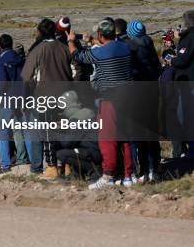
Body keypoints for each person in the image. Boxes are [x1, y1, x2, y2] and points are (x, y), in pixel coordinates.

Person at [68, 18, 134, 189]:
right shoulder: (125, 47)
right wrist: (92, 41)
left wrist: (71, 40)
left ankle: (108, 175)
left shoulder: (101, 53)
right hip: (128, 98)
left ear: (100, 34)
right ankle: (128, 174)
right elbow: (109, 46)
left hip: (110, 99)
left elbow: (78, 55)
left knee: (107, 138)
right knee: (124, 138)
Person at [22, 18, 73, 177]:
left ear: (40, 32)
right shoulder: (64, 48)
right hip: (66, 95)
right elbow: (76, 71)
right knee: (64, 131)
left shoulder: (37, 50)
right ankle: (67, 165)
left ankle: (52, 167)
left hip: (44, 96)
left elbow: (26, 76)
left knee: (48, 133)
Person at [126, 19, 162, 183]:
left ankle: (143, 170)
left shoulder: (131, 48)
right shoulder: (149, 45)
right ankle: (154, 168)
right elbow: (158, 69)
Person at [0, 34, 25, 173]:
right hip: (21, 96)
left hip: (7, 98)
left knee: (3, 132)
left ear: (0, 46)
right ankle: (23, 159)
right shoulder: (21, 59)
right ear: (11, 44)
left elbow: (1, 83)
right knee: (20, 129)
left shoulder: (0, 61)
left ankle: (5, 164)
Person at [56, 91, 102, 180]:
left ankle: (94, 171)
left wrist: (59, 132)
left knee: (62, 154)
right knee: (74, 148)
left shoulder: (76, 119)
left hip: (93, 152)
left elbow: (67, 143)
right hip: (96, 150)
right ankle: (77, 175)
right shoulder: (87, 113)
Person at [171, 10, 194, 156]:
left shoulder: (190, 38)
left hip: (188, 82)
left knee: (184, 117)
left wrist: (171, 60)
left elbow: (182, 60)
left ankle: (187, 152)